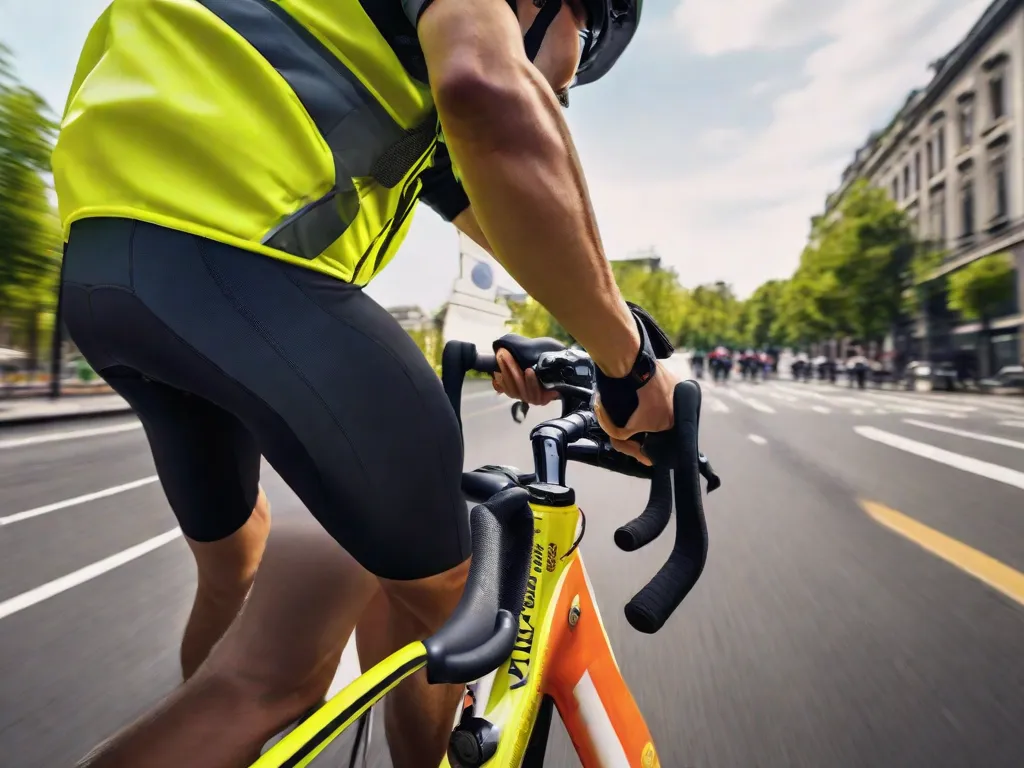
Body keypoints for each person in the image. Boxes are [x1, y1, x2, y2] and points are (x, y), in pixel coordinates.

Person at [56, 0, 673, 766]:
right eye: (582, 52)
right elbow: (488, 93)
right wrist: (629, 367)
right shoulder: (469, 45)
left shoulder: (379, 50)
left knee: (235, 567)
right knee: (382, 620)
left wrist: (612, 322)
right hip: (240, 267)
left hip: (109, 262)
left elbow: (507, 211)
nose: (563, 92)